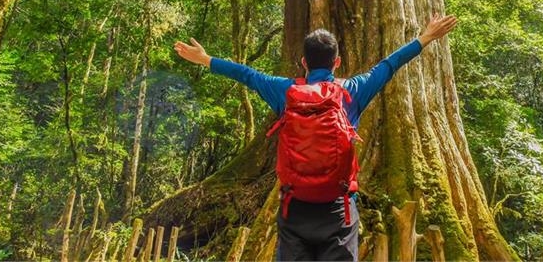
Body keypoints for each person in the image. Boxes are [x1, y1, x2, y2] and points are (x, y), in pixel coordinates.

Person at [173, 14, 458, 261]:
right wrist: (425, 37)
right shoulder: (352, 91)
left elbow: (247, 75)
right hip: (339, 211)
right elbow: (388, 65)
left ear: (302, 62)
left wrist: (206, 59)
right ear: (337, 62)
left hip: (294, 208)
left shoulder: (285, 91)